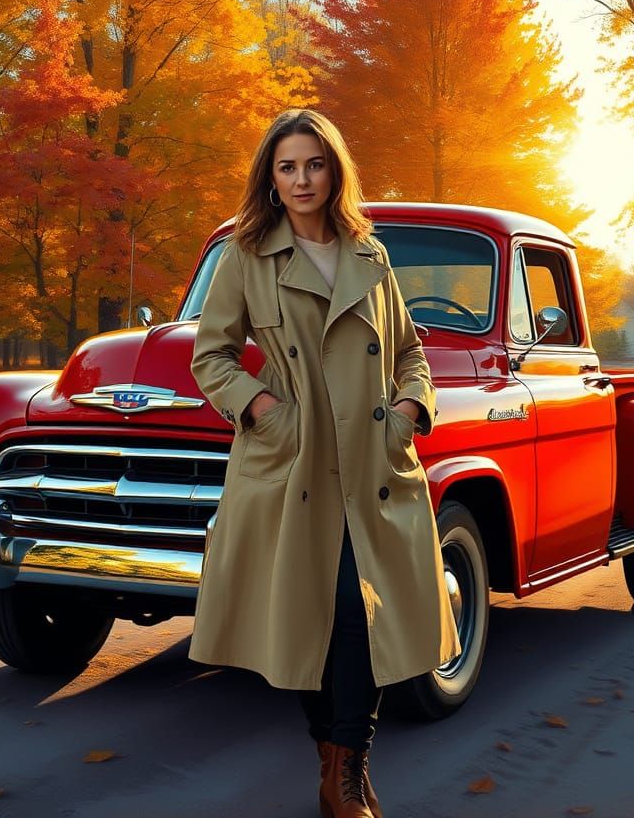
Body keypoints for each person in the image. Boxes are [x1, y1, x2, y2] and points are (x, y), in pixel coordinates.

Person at [190, 109, 462, 817]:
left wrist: (408, 412)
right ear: (271, 180)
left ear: (333, 171)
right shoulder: (247, 256)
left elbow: (410, 353)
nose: (302, 178)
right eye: (287, 167)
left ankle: (347, 767)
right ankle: (338, 769)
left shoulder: (369, 254)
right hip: (295, 465)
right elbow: (210, 356)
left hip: (372, 462)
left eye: (314, 164)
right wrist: (263, 410)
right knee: (316, 613)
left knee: (358, 613)